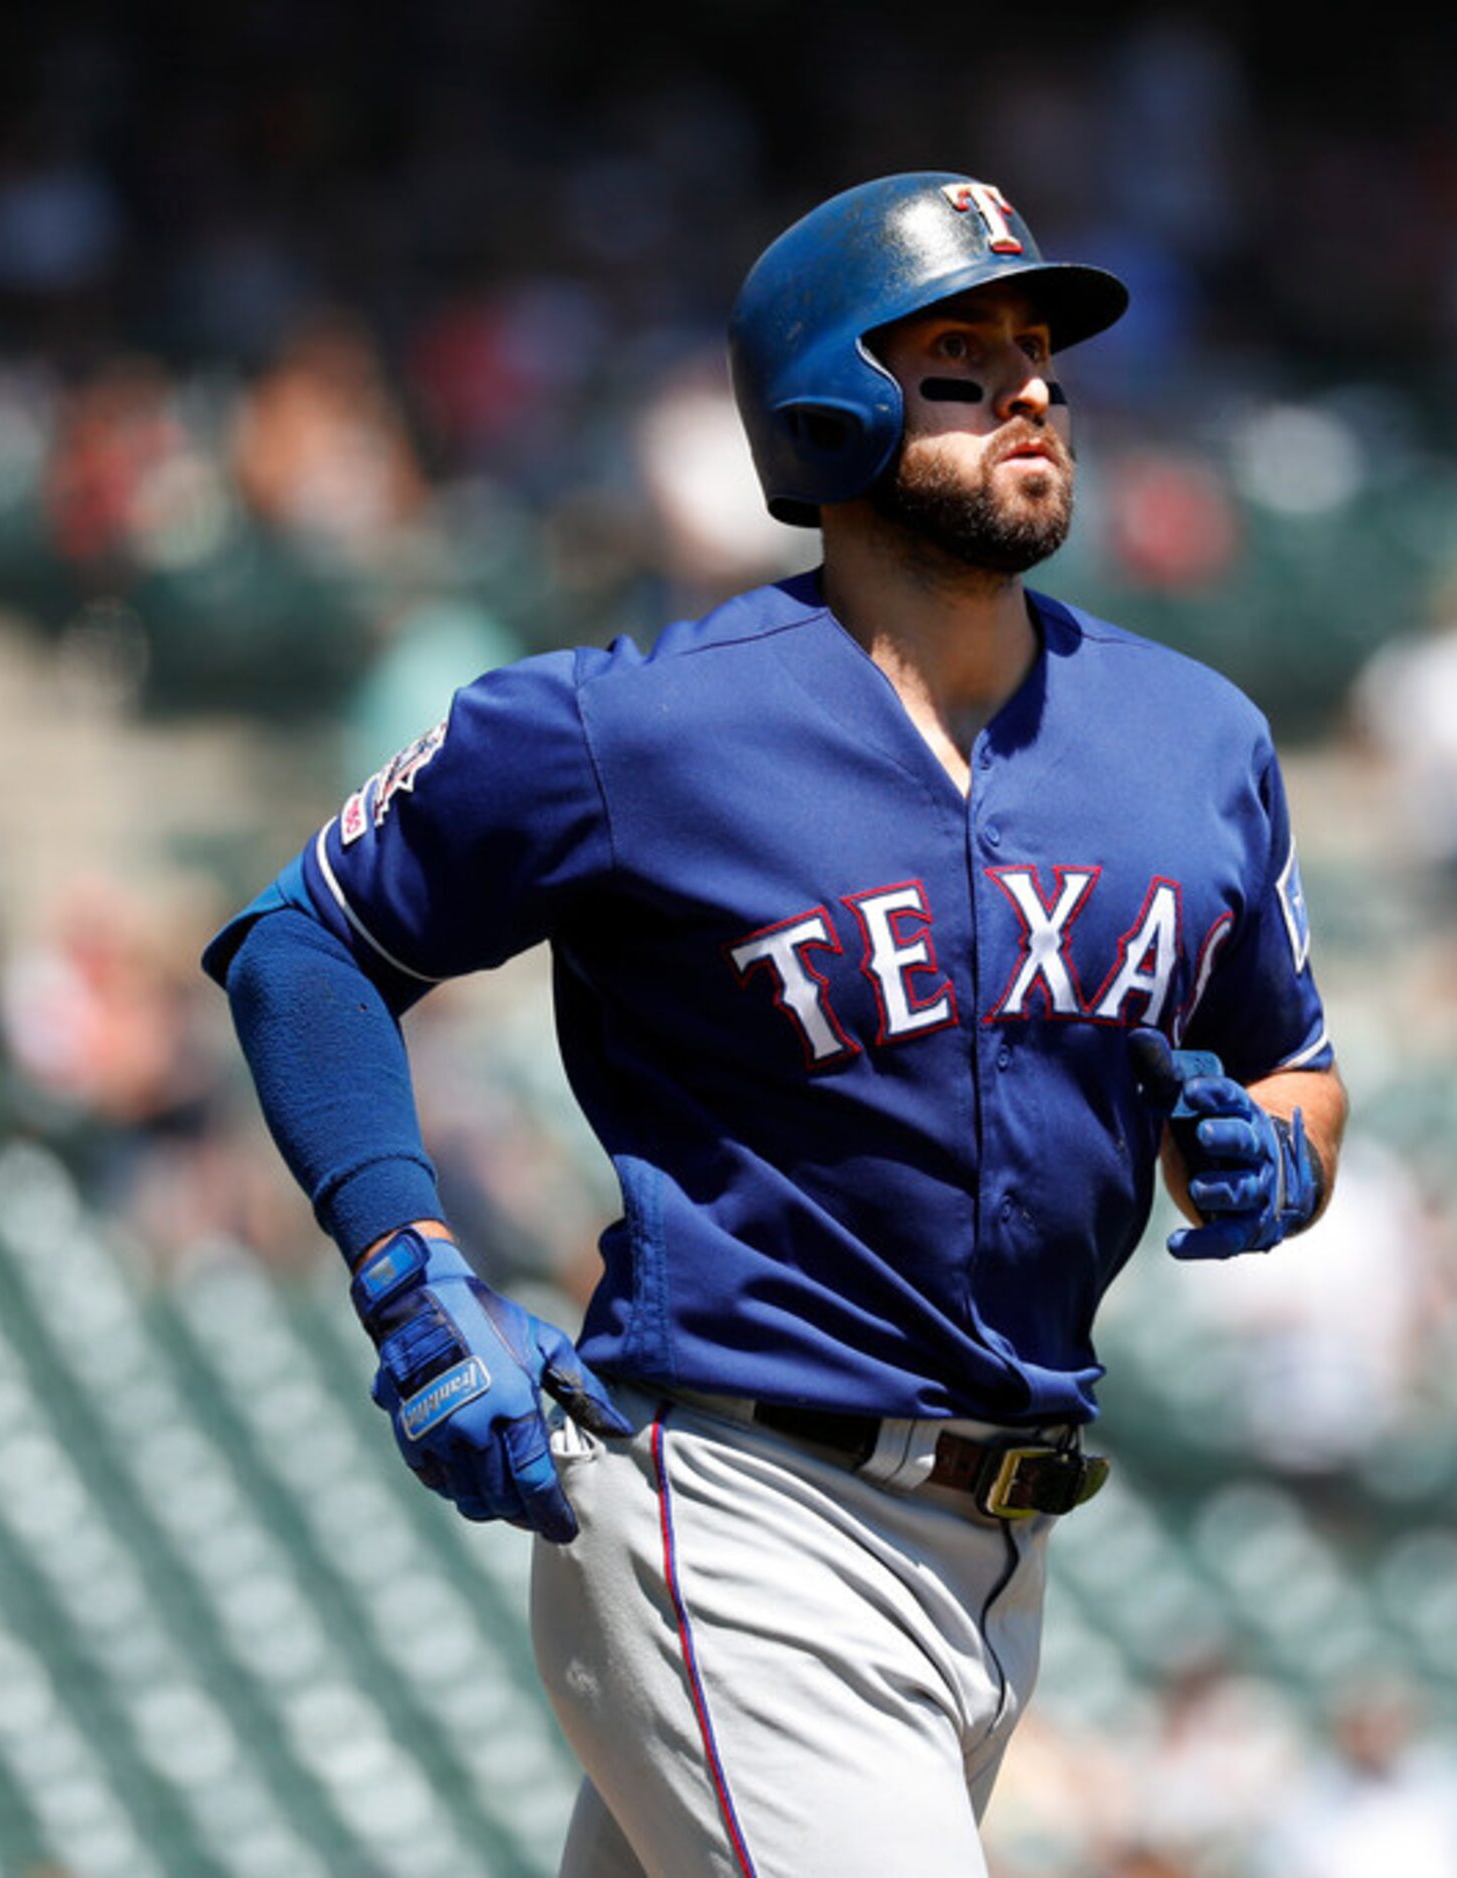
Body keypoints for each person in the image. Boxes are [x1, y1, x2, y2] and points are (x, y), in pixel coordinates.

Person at [204, 171, 1346, 1877]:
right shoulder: (632, 728)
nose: (1033, 387)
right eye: (962, 355)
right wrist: (402, 1253)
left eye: (1041, 349)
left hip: (1001, 1558)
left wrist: (1285, 1155)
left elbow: (1302, 1071)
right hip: (732, 1503)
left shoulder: (1196, 740)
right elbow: (304, 944)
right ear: (832, 404)